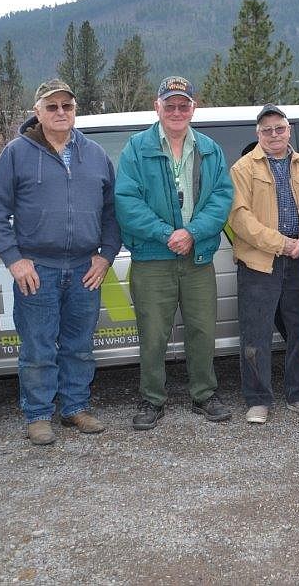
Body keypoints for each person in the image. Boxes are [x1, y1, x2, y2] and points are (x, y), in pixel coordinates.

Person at [0, 79, 121, 446]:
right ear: (37, 111)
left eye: (67, 106)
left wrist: (106, 255)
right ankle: (38, 414)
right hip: (37, 269)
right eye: (52, 106)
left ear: (75, 111)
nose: (61, 113)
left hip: (83, 270)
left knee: (79, 345)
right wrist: (14, 259)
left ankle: (76, 406)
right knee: (38, 347)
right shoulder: (16, 153)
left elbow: (112, 212)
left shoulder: (94, 154)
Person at [115, 76, 234, 430]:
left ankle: (204, 395)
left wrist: (193, 233)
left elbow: (221, 199)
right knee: (153, 334)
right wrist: (168, 234)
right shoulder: (136, 148)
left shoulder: (210, 149)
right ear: (158, 107)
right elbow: (126, 202)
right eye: (170, 105)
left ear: (193, 107)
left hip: (197, 258)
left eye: (184, 105)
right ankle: (152, 399)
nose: (177, 111)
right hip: (153, 258)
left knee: (202, 329)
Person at [228, 104, 299, 423]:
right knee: (256, 333)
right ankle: (257, 398)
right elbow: (240, 219)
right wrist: (282, 243)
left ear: (289, 129)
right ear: (258, 134)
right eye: (266, 130)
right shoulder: (243, 168)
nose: (274, 135)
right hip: (259, 262)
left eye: (279, 128)